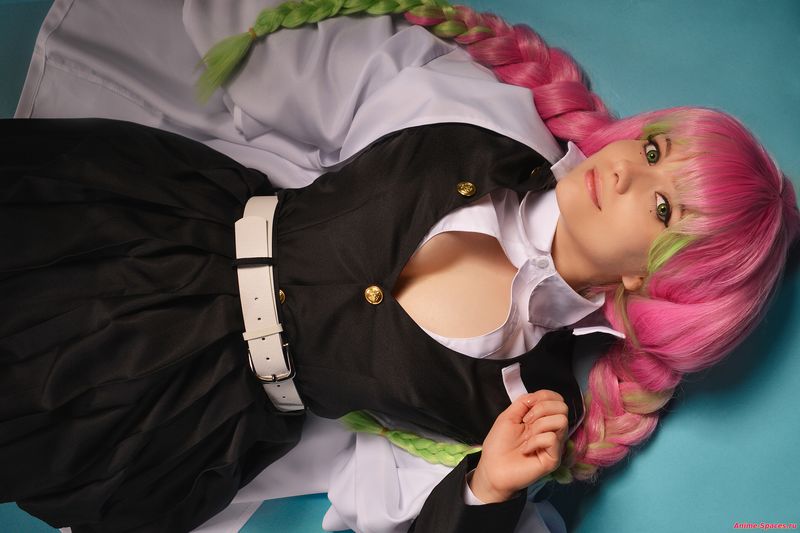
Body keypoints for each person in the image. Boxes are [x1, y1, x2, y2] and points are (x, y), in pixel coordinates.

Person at [2, 0, 798, 532]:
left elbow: (395, 509)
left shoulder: (524, 405)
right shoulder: (482, 122)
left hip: (168, 407)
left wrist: (486, 489)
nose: (624, 169)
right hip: (149, 226)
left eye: (662, 209)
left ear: (652, 282)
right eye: (654, 148)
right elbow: (307, 70)